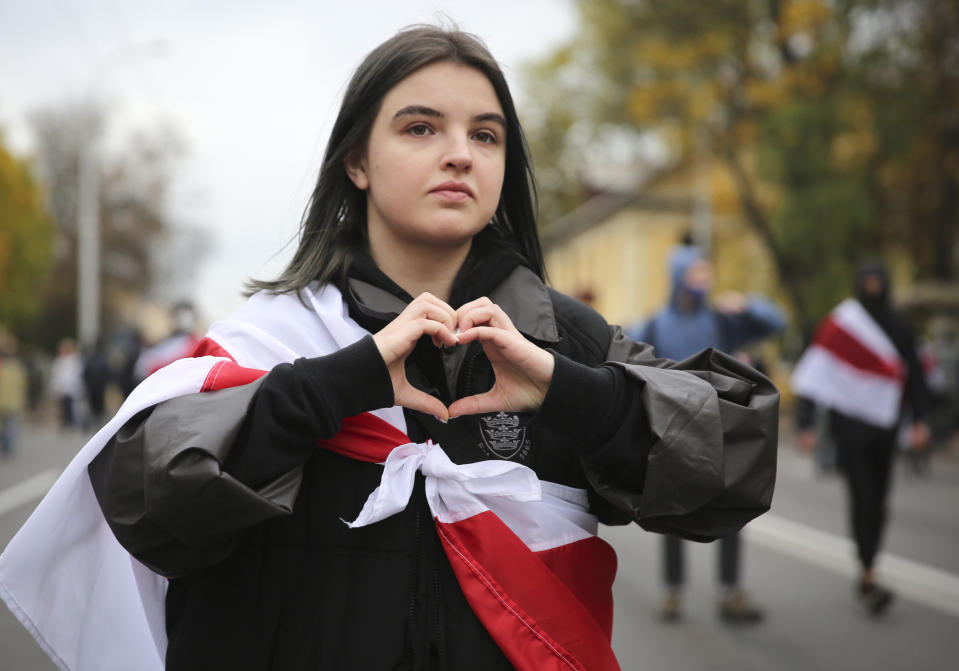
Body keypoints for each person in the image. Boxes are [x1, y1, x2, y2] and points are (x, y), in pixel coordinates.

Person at [0, 26, 779, 671]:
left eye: (486, 134)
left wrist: (572, 391)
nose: (459, 153)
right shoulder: (272, 338)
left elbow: (736, 453)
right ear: (357, 162)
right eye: (419, 127)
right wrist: (341, 383)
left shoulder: (564, 338)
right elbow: (143, 494)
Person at [627, 243, 786, 624]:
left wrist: (747, 304)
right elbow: (630, 364)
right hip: (674, 429)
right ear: (680, 276)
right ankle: (673, 592)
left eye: (707, 272)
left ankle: (731, 592)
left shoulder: (723, 318)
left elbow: (777, 323)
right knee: (670, 510)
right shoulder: (653, 325)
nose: (705, 279)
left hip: (723, 427)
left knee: (730, 509)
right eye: (698, 272)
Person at [792, 261, 932, 616]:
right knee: (862, 496)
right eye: (866, 282)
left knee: (879, 501)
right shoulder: (842, 326)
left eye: (877, 282)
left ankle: (869, 564)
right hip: (850, 430)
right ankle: (867, 567)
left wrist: (920, 421)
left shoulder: (900, 328)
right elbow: (818, 373)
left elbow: (914, 376)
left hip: (885, 429)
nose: (872, 288)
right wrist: (806, 424)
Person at [0, 332, 28, 457]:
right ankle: (6, 445)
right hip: (6, 399)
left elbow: (21, 383)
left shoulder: (16, 363)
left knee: (11, 424)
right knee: (8, 424)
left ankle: (8, 445)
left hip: (12, 399)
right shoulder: (10, 364)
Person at [48, 337, 85, 432]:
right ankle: (66, 424)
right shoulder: (59, 361)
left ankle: (74, 424)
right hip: (62, 390)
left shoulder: (76, 360)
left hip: (72, 389)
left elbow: (76, 376)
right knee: (63, 409)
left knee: (73, 408)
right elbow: (56, 376)